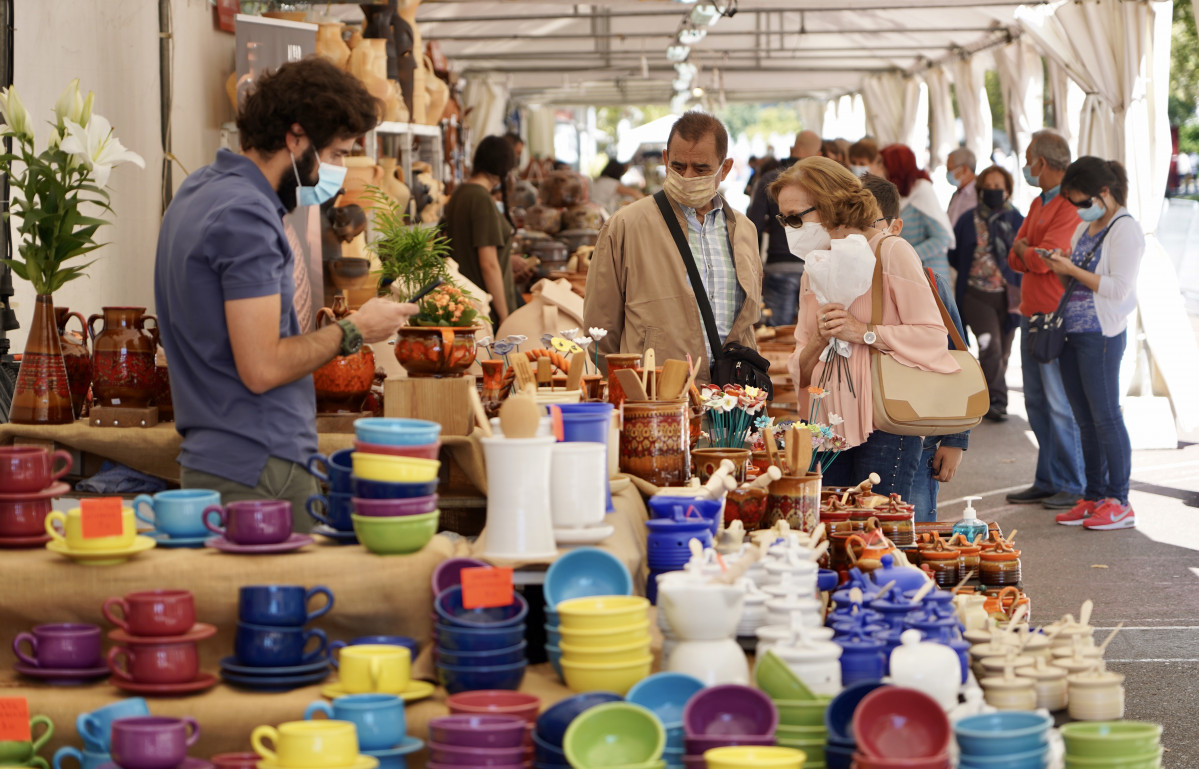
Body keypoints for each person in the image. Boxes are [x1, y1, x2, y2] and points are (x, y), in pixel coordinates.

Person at [154, 58, 417, 529]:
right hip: (260, 468)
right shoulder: (246, 216)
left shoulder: (199, 190)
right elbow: (262, 366)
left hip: (219, 459)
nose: (338, 170)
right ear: (296, 137)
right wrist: (355, 329)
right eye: (336, 154)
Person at [776, 157, 960, 499]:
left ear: (831, 204)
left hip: (886, 422)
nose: (789, 228)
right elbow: (798, 370)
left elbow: (933, 337)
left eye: (795, 218)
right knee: (833, 532)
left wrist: (863, 331)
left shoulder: (890, 251)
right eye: (783, 219)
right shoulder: (813, 267)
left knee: (876, 534)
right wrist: (820, 338)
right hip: (823, 425)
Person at [584, 112, 762, 382]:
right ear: (666, 160)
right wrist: (631, 386)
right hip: (657, 396)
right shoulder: (625, 225)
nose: (687, 177)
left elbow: (747, 321)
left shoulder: (744, 229)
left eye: (701, 169)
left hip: (732, 400)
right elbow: (601, 328)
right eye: (678, 166)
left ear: (724, 169)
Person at [1042, 158, 1144, 530]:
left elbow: (1118, 288)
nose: (1081, 210)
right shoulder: (1090, 227)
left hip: (1101, 334)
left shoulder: (1125, 229)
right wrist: (1063, 263)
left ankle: (1120, 499)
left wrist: (1071, 270)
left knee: (1106, 417)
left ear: (1104, 192)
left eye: (1084, 202)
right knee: (1084, 419)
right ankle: (1094, 495)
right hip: (1073, 332)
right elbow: (1085, 272)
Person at [862, 174, 969, 521]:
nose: (859, 235)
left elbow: (955, 357)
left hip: (918, 434)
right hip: (860, 431)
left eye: (870, 223)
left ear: (895, 227)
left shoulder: (927, 281)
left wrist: (955, 440)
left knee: (917, 526)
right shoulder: (841, 280)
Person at [1005, 130, 1086, 510]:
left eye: (1028, 157)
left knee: (1058, 403)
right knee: (1036, 402)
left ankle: (1072, 481)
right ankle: (1049, 477)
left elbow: (1043, 258)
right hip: (1030, 311)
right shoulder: (1039, 201)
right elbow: (1016, 255)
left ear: (1041, 162)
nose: (1025, 165)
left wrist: (1028, 251)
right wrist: (1028, 251)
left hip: (1053, 314)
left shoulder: (1068, 205)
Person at [948, 165, 1025, 421]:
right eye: (988, 186)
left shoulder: (1017, 220)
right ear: (980, 190)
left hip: (1009, 296)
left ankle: (987, 392)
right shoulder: (968, 219)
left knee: (1003, 351)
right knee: (989, 345)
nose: (993, 191)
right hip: (975, 293)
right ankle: (997, 401)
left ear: (1008, 190)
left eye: (998, 187)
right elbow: (955, 254)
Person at [746, 131, 823, 326]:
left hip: (779, 263)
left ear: (792, 149)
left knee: (780, 333)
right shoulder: (821, 182)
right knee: (815, 333)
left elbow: (752, 225)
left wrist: (755, 265)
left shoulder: (771, 180)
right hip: (818, 265)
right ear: (818, 154)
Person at [445, 135, 518, 325]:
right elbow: (489, 264)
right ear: (505, 166)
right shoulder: (481, 199)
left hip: (467, 304)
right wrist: (504, 315)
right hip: (485, 311)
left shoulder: (460, 192)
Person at [879, 144, 955, 281]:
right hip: (910, 273)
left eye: (883, 164)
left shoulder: (922, 191)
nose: (881, 169)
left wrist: (906, 255)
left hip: (930, 277)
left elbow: (942, 238)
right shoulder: (901, 193)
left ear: (896, 168)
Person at [946, 147, 979, 230]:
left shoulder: (980, 192)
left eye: (950, 169)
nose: (948, 174)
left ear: (964, 169)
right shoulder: (956, 194)